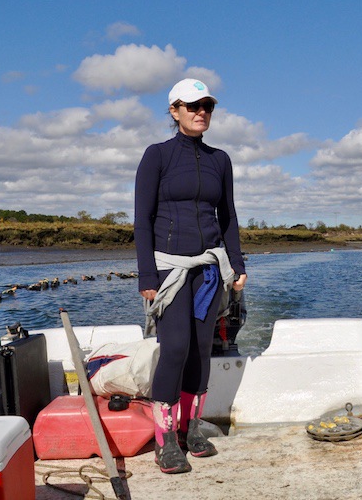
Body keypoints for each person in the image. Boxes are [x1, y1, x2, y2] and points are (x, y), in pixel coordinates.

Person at [134, 77, 248, 474]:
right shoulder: (158, 156)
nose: (202, 112)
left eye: (208, 106)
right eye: (193, 106)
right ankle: (165, 440)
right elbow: (143, 220)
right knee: (176, 347)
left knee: (202, 349)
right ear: (174, 110)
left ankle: (188, 429)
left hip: (209, 268)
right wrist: (146, 273)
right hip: (169, 269)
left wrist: (237, 264)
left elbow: (228, 217)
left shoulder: (220, 160)